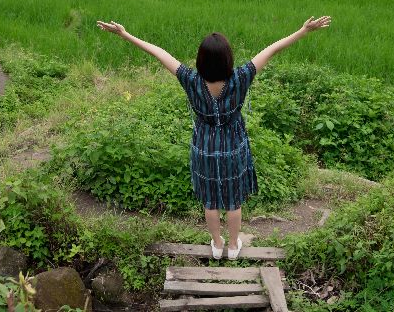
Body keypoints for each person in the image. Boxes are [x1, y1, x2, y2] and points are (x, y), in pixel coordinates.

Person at [96, 16, 332, 259]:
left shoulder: (190, 79)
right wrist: (303, 31)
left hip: (204, 147)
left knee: (210, 201)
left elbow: (159, 53)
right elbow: (272, 49)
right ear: (228, 59)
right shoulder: (241, 78)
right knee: (233, 202)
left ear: (201, 60)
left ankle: (217, 245)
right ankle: (232, 246)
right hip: (233, 147)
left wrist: (125, 34)